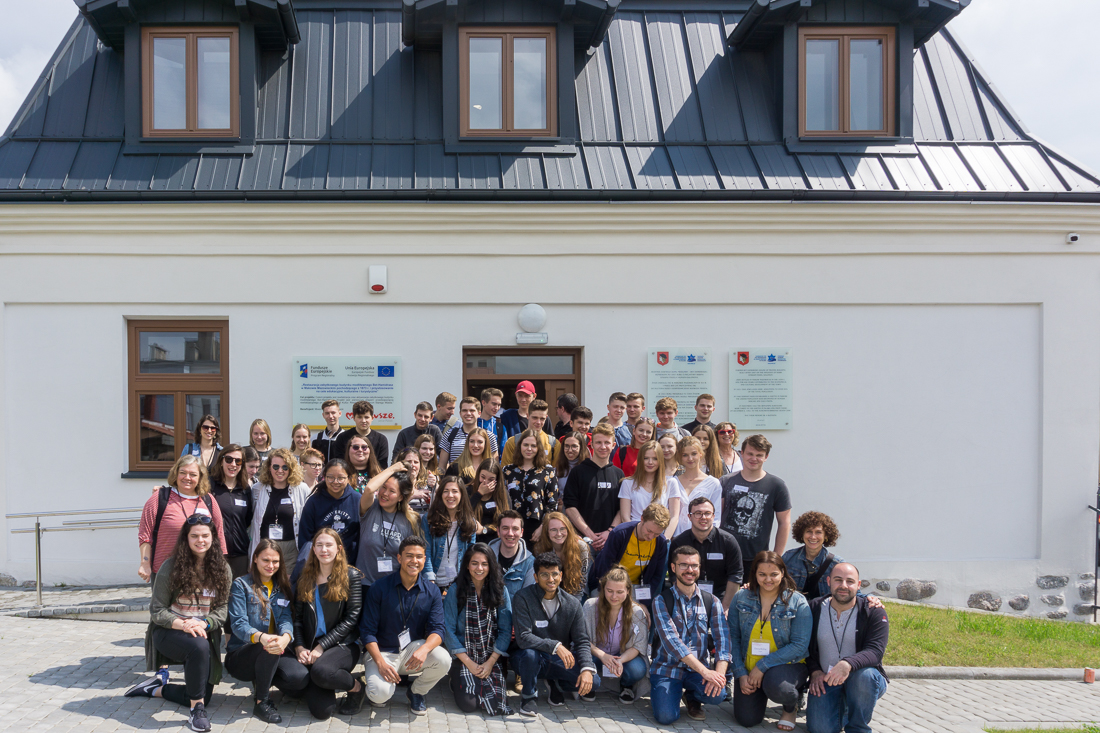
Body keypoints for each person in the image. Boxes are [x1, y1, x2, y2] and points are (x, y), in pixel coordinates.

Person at [126, 516, 232, 733]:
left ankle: (157, 689)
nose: (200, 540)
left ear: (213, 538)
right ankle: (196, 712)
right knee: (199, 647)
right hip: (169, 631)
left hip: (203, 630)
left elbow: (222, 609)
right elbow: (157, 610)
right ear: (186, 538)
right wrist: (185, 625)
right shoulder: (170, 567)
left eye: (205, 535)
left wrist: (204, 623)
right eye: (194, 536)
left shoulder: (223, 569)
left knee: (204, 695)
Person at [360, 536, 451, 714]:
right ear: (399, 558)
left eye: (419, 556)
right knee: (380, 695)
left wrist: (424, 649)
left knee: (444, 659)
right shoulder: (379, 587)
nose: (414, 561)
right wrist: (380, 663)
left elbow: (438, 629)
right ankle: (373, 682)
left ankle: (416, 692)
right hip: (382, 652)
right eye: (409, 556)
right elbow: (366, 631)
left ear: (424, 559)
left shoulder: (432, 591)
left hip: (411, 651)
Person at [224, 539, 307, 723]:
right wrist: (262, 637)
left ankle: (264, 676)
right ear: (255, 559)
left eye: (275, 561)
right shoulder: (241, 585)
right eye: (266, 560)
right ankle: (262, 701)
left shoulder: (281, 587)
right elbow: (238, 624)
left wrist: (286, 637)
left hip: (273, 649)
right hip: (241, 653)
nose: (271, 565)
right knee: (269, 645)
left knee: (298, 679)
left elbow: (285, 618)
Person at [729, 551, 811, 731]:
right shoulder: (741, 597)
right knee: (747, 719)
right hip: (749, 670)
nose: (768, 579)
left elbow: (799, 645)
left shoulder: (797, 602)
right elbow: (732, 638)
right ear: (755, 574)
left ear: (783, 573)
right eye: (762, 574)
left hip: (786, 666)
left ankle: (790, 707)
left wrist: (762, 666)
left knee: (778, 687)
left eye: (774, 574)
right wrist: (740, 673)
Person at [649, 545, 731, 724]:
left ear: (699, 568)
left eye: (694, 565)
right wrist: (706, 672)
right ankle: (670, 692)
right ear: (673, 567)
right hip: (667, 668)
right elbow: (672, 642)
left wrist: (718, 675)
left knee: (718, 694)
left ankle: (692, 696)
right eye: (684, 565)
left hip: (697, 671)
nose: (690, 570)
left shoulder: (712, 601)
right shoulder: (661, 600)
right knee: (666, 717)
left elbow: (723, 640)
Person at [511, 552, 599, 716]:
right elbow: (523, 637)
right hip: (527, 658)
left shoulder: (572, 604)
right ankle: (529, 696)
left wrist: (586, 668)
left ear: (561, 575)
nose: (550, 579)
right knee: (530, 655)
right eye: (544, 575)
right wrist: (555, 645)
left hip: (557, 659)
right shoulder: (522, 598)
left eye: (554, 574)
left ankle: (557, 683)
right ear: (536, 577)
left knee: (594, 682)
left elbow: (581, 640)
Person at [805, 563, 890, 733]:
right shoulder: (813, 608)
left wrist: (847, 664)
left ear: (858, 585)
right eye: (838, 580)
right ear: (828, 581)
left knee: (864, 677)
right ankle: (845, 709)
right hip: (827, 679)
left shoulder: (873, 611)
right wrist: (814, 671)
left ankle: (858, 727)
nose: (843, 586)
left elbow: (875, 651)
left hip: (863, 680)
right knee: (819, 729)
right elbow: (804, 646)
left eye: (850, 581)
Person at [292, 528, 367, 719]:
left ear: (338, 548)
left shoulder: (351, 576)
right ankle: (322, 680)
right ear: (313, 549)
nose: (324, 549)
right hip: (310, 646)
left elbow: (351, 619)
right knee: (322, 712)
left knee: (322, 672)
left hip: (343, 644)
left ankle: (357, 688)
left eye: (328, 545)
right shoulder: (305, 577)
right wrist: (299, 647)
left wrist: (321, 647)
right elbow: (297, 619)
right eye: (319, 545)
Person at [443, 543, 514, 715]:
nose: (479, 568)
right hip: (463, 656)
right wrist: (469, 663)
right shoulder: (455, 590)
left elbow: (505, 630)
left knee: (496, 702)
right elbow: (448, 630)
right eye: (474, 563)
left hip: (490, 656)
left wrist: (490, 662)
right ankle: (454, 678)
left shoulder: (500, 591)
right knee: (468, 705)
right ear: (467, 565)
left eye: (484, 564)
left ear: (491, 566)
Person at [138, 455, 227, 583]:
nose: (187, 478)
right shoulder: (160, 498)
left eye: (193, 474)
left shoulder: (208, 500)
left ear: (200, 477)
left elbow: (219, 535)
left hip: (201, 572)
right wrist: (145, 563)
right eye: (183, 473)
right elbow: (145, 534)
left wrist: (220, 566)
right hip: (166, 572)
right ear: (176, 473)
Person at [720, 435, 793, 581]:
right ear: (741, 453)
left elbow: (784, 523)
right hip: (724, 554)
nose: (754, 458)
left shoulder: (776, 486)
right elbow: (717, 516)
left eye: (759, 455)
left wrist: (775, 557)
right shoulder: (726, 481)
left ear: (766, 457)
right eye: (750, 454)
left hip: (756, 559)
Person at [583, 566, 649, 704]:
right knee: (581, 662)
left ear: (628, 591)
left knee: (637, 669)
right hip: (596, 655)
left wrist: (620, 660)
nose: (614, 597)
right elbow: (582, 639)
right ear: (603, 588)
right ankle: (592, 683)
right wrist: (603, 656)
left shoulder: (637, 612)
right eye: (609, 591)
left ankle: (626, 685)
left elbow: (638, 646)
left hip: (622, 656)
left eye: (619, 592)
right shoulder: (590, 606)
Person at [589, 505, 671, 610]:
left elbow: (656, 576)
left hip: (636, 587)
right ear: (642, 519)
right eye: (649, 531)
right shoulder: (620, 533)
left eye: (656, 534)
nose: (651, 537)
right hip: (608, 583)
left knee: (640, 614)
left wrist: (644, 604)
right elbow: (605, 567)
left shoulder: (661, 542)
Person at [356, 462, 420, 590]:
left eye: (392, 491)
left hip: (392, 587)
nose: (385, 493)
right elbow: (369, 489)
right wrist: (393, 468)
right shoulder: (370, 507)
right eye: (383, 487)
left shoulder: (408, 520)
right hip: (365, 584)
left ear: (400, 497)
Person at [670, 497, 742, 610]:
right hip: (688, 599)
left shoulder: (728, 541)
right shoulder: (679, 543)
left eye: (707, 513)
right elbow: (674, 574)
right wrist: (685, 603)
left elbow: (735, 574)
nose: (703, 517)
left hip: (721, 598)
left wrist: (725, 607)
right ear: (689, 517)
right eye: (698, 513)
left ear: (713, 516)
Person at [563, 425, 623, 551]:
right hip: (582, 541)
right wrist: (589, 534)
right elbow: (570, 507)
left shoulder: (619, 474)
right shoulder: (578, 472)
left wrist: (610, 531)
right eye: (598, 442)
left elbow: (622, 508)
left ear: (613, 445)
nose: (603, 447)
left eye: (607, 443)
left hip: (610, 540)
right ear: (591, 444)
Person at [249, 449, 310, 569]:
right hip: (265, 547)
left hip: (291, 548)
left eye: (285, 467)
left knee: (288, 581)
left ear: (291, 469)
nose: (280, 471)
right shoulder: (257, 489)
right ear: (269, 467)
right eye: (276, 467)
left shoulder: (302, 489)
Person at [422, 475, 481, 591]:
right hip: (433, 583)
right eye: (446, 491)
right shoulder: (429, 519)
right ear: (440, 494)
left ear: (462, 495)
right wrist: (430, 581)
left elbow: (471, 553)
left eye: (455, 491)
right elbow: (426, 550)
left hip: (458, 583)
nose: (450, 495)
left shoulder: (469, 522)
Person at [297, 459, 362, 565]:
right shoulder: (314, 501)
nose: (335, 482)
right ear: (324, 477)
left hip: (349, 562)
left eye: (340, 478)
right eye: (330, 477)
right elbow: (305, 536)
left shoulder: (357, 500)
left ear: (349, 478)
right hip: (321, 561)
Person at [616, 439, 680, 539]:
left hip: (660, 536)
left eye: (655, 458)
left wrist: (665, 539)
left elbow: (674, 516)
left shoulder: (671, 482)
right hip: (635, 536)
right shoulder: (627, 483)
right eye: (646, 458)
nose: (650, 462)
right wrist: (637, 536)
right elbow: (625, 517)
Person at [504, 429, 558, 541]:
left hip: (537, 528)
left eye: (533, 446)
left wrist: (543, 528)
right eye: (526, 445)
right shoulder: (508, 471)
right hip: (511, 527)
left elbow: (552, 504)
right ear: (520, 446)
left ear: (538, 448)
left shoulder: (547, 471)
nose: (529, 449)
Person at [209, 444, 253, 579]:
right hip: (216, 552)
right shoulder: (211, 486)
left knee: (238, 590)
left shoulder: (245, 489)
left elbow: (247, 520)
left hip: (240, 553)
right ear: (221, 461)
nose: (233, 464)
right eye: (229, 459)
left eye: (238, 461)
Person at [784, 511, 844, 602]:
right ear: (802, 534)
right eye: (809, 531)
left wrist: (868, 598)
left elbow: (854, 592)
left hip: (824, 610)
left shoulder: (837, 563)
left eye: (818, 532)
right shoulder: (788, 557)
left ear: (826, 536)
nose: (813, 537)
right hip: (795, 610)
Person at [532, 512, 591, 604]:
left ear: (568, 529)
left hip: (575, 594)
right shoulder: (540, 549)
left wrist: (572, 606)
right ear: (547, 532)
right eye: (553, 530)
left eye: (562, 529)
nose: (559, 534)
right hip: (549, 594)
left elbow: (581, 583)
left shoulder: (580, 547)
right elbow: (541, 582)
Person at [672, 437, 723, 535]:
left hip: (701, 537)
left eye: (694, 454)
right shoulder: (673, 482)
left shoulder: (713, 483)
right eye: (685, 455)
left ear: (700, 454)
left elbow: (715, 517)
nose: (690, 458)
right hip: (675, 537)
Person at [441, 397, 499, 469]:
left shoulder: (489, 436)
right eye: (464, 410)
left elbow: (494, 467)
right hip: (455, 475)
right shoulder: (449, 435)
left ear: (479, 413)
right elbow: (441, 467)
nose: (468, 413)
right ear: (460, 413)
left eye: (472, 410)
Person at [489, 510, 535, 597]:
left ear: (521, 532)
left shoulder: (530, 563)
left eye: (515, 529)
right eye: (505, 528)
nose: (510, 533)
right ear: (498, 531)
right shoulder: (485, 557)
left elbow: (528, 599)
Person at [334, 401, 390, 470]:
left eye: (366, 417)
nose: (363, 421)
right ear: (353, 418)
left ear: (372, 418)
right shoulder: (342, 438)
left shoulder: (381, 439)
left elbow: (382, 466)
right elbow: (339, 463)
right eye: (359, 417)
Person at [500, 399, 556, 464]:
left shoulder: (553, 444)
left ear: (546, 418)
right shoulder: (512, 442)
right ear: (527, 416)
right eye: (535, 418)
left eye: (542, 419)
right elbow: (505, 468)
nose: (538, 422)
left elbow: (557, 469)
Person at [468, 458, 509, 542]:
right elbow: (464, 513)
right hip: (472, 540)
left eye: (491, 479)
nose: (486, 482)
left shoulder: (502, 494)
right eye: (483, 477)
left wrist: (484, 529)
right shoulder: (469, 490)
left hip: (494, 540)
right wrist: (479, 494)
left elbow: (506, 520)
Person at [553, 432, 588, 496]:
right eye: (567, 446)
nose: (570, 450)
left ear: (581, 447)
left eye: (574, 446)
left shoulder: (588, 469)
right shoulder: (556, 470)